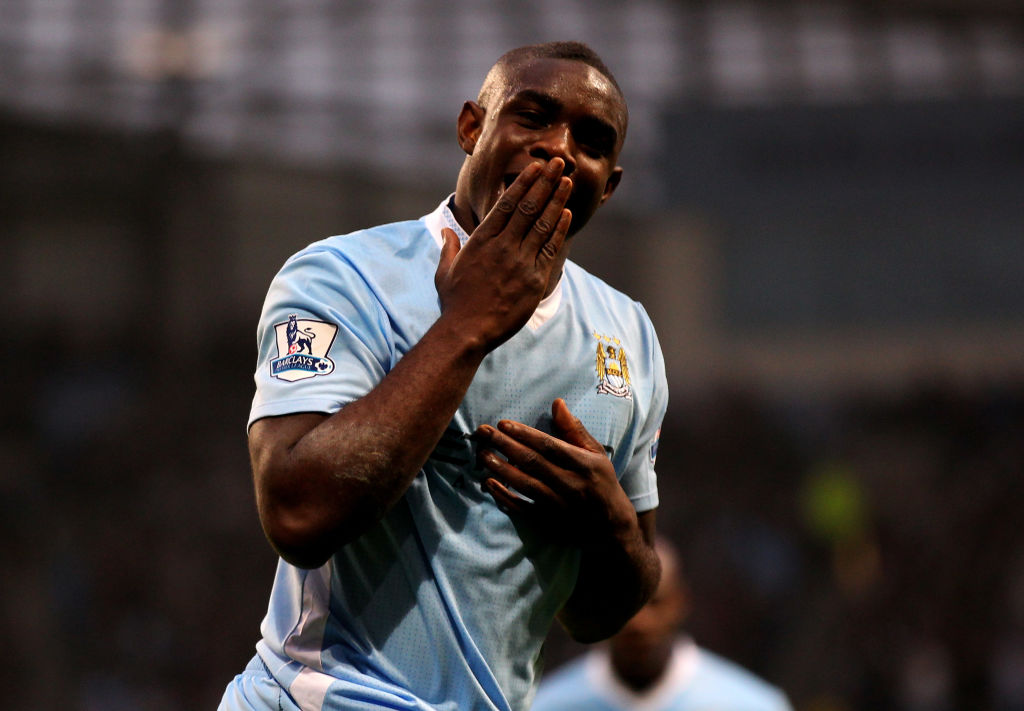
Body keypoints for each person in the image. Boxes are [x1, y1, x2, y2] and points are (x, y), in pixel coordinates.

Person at [219, 40, 667, 711]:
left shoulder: (626, 333)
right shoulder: (342, 277)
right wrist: (468, 324)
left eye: (591, 140)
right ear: (471, 127)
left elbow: (598, 613)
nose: (559, 149)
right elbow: (296, 510)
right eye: (534, 116)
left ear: (610, 181)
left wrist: (611, 529)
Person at [531, 537, 794, 711]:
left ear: (680, 602)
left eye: (655, 602)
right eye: (626, 604)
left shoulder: (752, 705)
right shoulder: (547, 705)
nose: (639, 621)